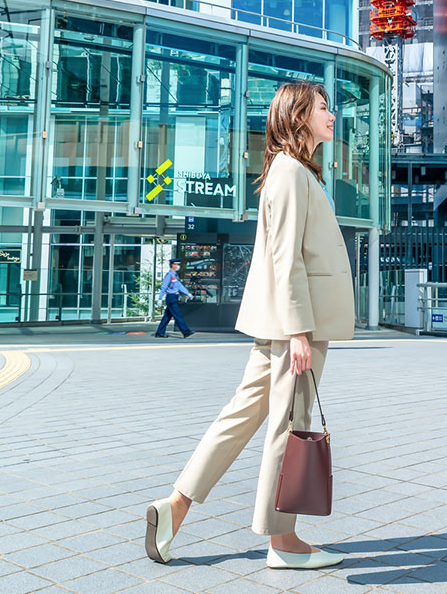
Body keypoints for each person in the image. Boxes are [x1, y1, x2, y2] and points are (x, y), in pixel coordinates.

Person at [144, 81, 355, 570]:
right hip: (294, 330)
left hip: (284, 327)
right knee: (290, 427)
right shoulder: (290, 173)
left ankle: (173, 508)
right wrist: (300, 330)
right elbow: (287, 260)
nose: (332, 115)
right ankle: (283, 542)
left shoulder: (295, 172)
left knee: (240, 417)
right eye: (323, 107)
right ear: (299, 116)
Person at [154, 259, 194, 338]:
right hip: (171, 297)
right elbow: (163, 287)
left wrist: (188, 293)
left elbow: (179, 286)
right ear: (172, 265)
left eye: (178, 264)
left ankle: (159, 332)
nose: (178, 266)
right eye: (176, 264)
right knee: (177, 315)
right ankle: (185, 331)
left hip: (174, 296)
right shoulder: (169, 275)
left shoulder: (175, 275)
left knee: (167, 316)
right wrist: (160, 298)